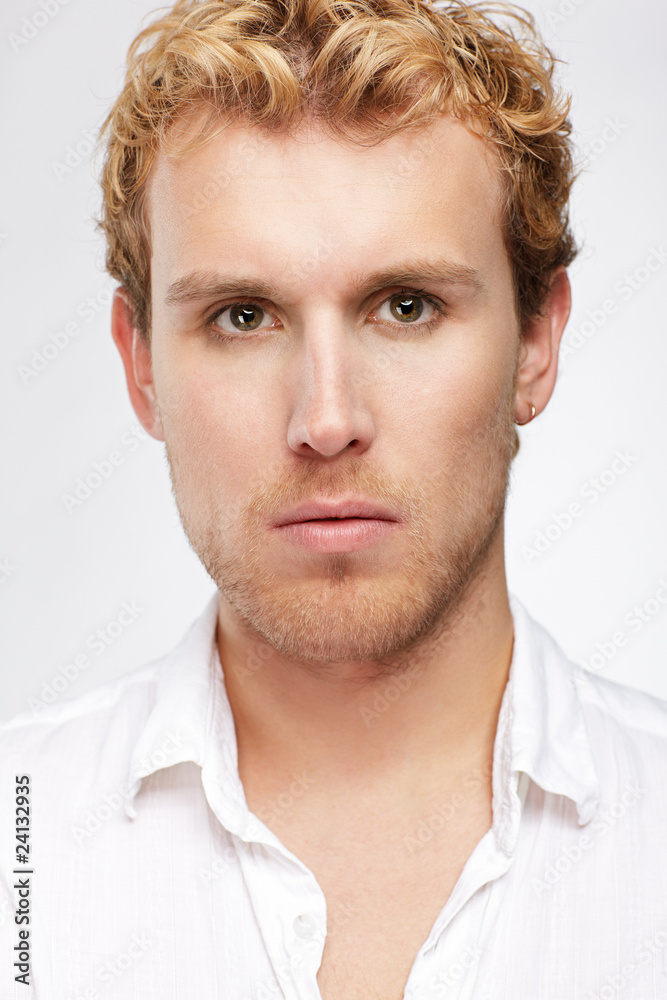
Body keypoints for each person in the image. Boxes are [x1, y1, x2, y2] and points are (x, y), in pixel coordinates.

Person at [1, 0, 666, 996]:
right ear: (140, 369)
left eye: (406, 306)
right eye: (242, 316)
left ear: (536, 342)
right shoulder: (19, 839)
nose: (325, 419)